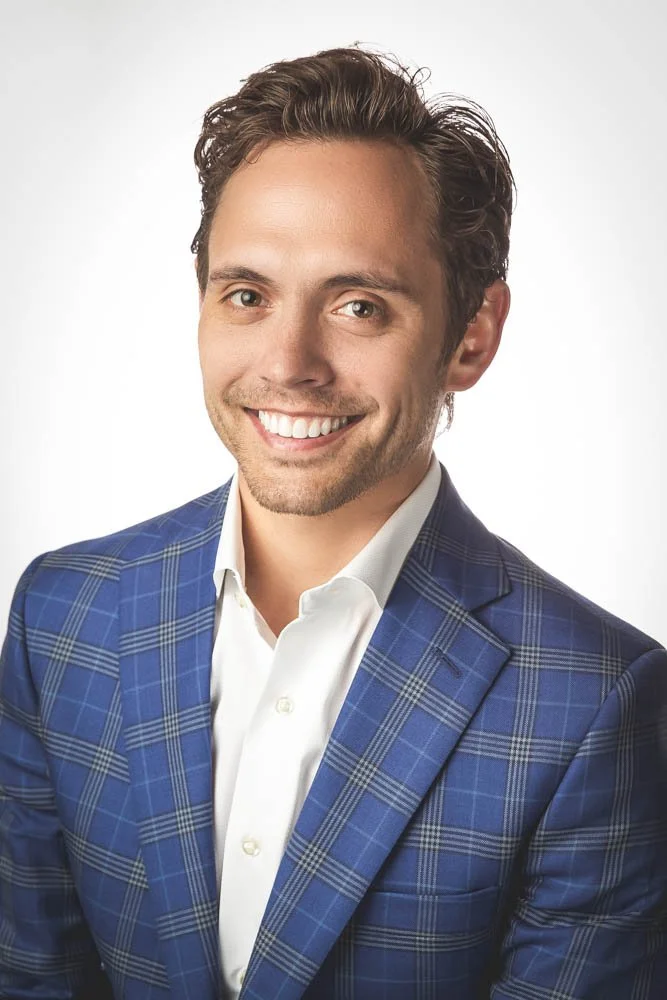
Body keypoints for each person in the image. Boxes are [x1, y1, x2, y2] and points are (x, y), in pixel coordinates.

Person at [1, 43, 665, 1000]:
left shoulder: (595, 701)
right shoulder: (62, 617)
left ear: (470, 336)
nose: (291, 361)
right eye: (247, 295)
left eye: (358, 305)